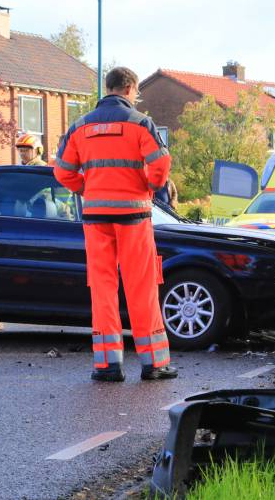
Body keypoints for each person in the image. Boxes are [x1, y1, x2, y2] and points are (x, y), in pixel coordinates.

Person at [54, 67, 177, 382]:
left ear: (107, 88)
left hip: (96, 219)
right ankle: (154, 364)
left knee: (103, 288)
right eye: (137, 93)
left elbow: (62, 171)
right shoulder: (140, 124)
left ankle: (108, 365)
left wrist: (88, 189)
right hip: (134, 216)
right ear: (130, 88)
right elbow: (160, 163)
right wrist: (148, 187)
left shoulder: (80, 127)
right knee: (141, 286)